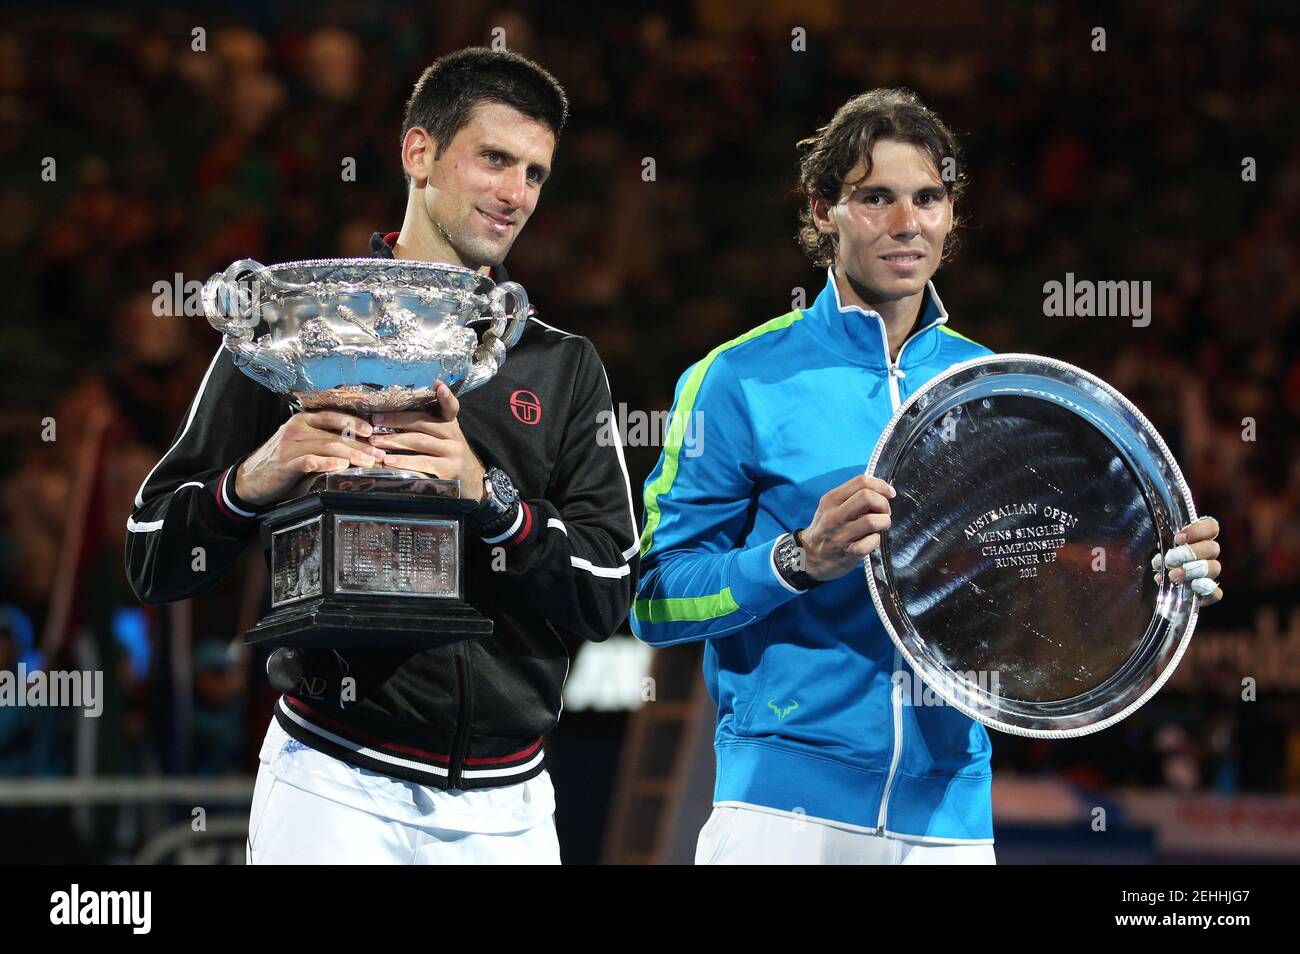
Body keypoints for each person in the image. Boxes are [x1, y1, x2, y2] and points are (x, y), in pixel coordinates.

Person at [630, 88, 1224, 865]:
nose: (906, 223)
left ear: (951, 213)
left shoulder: (989, 383)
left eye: (928, 197)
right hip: (781, 808)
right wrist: (796, 559)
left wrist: (1152, 571)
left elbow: (1031, 567)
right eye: (874, 197)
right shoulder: (739, 379)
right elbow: (654, 599)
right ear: (821, 212)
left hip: (950, 819)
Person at [126, 48, 639, 864]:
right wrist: (250, 483)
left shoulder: (560, 364)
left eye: (536, 174)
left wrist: (492, 500)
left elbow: (610, 593)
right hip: (333, 783)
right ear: (420, 153)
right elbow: (152, 557)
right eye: (496, 159)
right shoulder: (295, 331)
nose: (516, 195)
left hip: (510, 808)